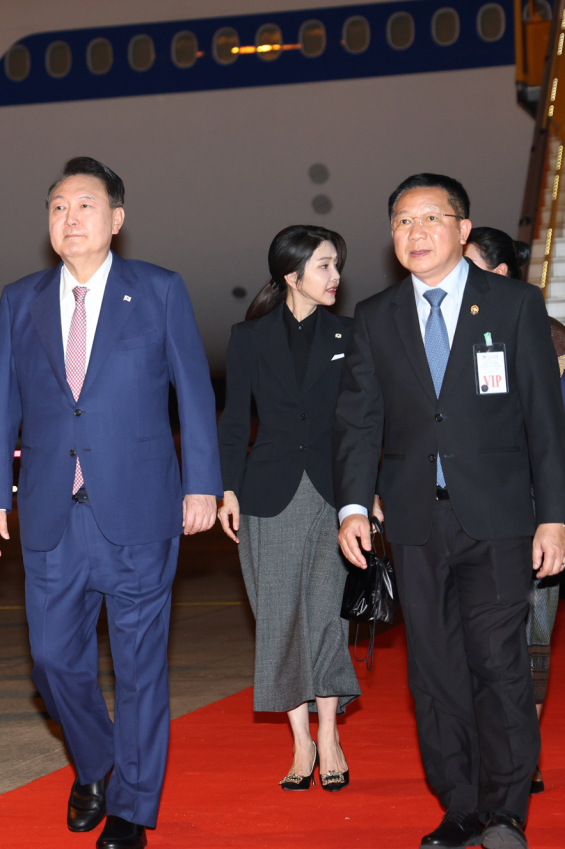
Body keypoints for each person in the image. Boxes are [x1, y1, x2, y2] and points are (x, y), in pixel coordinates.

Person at [0, 157, 221, 849]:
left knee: (142, 669)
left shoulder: (158, 291)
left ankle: (132, 811)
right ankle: (99, 763)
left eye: (85, 206)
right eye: (57, 207)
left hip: (142, 510)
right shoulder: (19, 299)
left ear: (116, 220)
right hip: (53, 512)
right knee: (53, 663)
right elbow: (2, 402)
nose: (70, 219)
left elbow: (193, 392)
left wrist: (202, 482)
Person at [334, 175, 565, 849]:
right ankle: (459, 805)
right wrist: (354, 505)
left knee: (497, 661)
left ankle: (505, 812)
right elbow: (359, 418)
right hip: (413, 523)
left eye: (431, 218)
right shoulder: (377, 316)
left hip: (497, 519)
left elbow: (542, 419)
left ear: (463, 230)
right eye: (403, 221)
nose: (416, 232)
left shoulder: (515, 305)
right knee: (433, 670)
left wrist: (554, 513)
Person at [216, 225, 359, 792]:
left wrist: (365, 493)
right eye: (325, 266)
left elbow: (361, 423)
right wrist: (227, 489)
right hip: (267, 493)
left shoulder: (351, 335)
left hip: (332, 493)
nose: (336, 277)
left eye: (337, 266)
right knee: (279, 617)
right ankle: (299, 741)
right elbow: (232, 421)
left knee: (327, 616)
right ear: (291, 275)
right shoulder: (248, 338)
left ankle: (329, 736)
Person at [465, 227, 565, 793]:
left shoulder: (552, 342)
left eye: (467, 264)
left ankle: (524, 754)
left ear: (498, 275)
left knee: (531, 634)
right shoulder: (447, 333)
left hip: (535, 510)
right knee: (473, 635)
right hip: (469, 512)